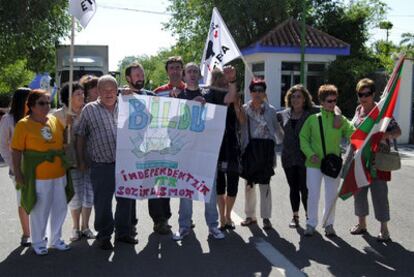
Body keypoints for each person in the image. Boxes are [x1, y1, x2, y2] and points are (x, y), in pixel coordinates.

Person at [76, 75, 137, 250]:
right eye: (105, 90)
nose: (109, 93)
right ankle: (104, 235)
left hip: (125, 164)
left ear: (117, 90)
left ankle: (123, 233)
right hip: (101, 165)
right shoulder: (89, 109)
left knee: (126, 201)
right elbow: (80, 135)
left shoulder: (128, 105)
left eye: (112, 89)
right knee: (102, 203)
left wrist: (132, 97)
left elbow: (148, 117)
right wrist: (81, 159)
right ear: (98, 91)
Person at [11, 89, 73, 255]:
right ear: (31, 105)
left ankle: (56, 238)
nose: (46, 106)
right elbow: (16, 150)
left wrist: (68, 126)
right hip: (38, 176)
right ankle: (38, 242)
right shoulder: (23, 125)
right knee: (40, 209)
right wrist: (17, 173)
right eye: (42, 103)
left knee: (60, 207)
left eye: (48, 102)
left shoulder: (54, 120)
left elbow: (64, 142)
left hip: (59, 173)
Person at [171, 62, 224, 241]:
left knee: (209, 189)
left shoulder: (209, 94)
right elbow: (174, 122)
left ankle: (213, 226)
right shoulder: (178, 96)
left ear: (200, 75)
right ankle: (184, 227)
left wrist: (230, 79)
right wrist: (190, 105)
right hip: (185, 152)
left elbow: (228, 102)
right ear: (184, 76)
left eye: (195, 71)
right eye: (189, 71)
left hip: (206, 151)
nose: (192, 74)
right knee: (185, 191)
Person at [349, 78, 401, 241]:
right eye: (360, 94)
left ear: (373, 94)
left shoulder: (382, 111)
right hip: (360, 160)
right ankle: (362, 224)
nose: (364, 97)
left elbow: (398, 131)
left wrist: (382, 135)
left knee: (379, 195)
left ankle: (384, 229)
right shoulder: (359, 110)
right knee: (359, 193)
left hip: (377, 160)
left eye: (367, 94)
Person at [299, 84, 354, 237]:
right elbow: (303, 139)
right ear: (321, 102)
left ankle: (329, 224)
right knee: (313, 195)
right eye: (329, 101)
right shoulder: (312, 119)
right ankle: (311, 224)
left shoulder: (340, 119)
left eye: (335, 100)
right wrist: (310, 154)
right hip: (314, 164)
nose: (333, 103)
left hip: (333, 165)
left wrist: (340, 117)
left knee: (331, 195)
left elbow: (353, 133)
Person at [203, 67, 245, 230]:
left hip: (232, 144)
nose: (221, 79)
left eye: (224, 77)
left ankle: (228, 215)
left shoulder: (233, 95)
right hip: (216, 145)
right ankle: (222, 217)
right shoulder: (209, 95)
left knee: (233, 182)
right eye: (218, 76)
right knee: (220, 183)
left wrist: (233, 82)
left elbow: (240, 117)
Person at [53, 82, 95, 241]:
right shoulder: (58, 115)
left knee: (89, 195)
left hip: (90, 159)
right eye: (77, 94)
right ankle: (75, 227)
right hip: (71, 162)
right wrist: (67, 127)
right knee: (76, 195)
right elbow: (57, 141)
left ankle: (86, 227)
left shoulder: (89, 111)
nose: (82, 96)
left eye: (82, 93)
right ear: (68, 97)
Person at [239, 79, 283, 230]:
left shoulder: (271, 110)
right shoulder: (244, 109)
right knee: (249, 185)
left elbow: (277, 130)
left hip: (266, 151)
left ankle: (266, 217)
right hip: (250, 150)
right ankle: (250, 215)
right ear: (250, 92)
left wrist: (285, 142)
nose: (257, 93)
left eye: (261, 90)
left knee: (265, 185)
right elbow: (239, 129)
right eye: (255, 90)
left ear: (264, 93)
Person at [123, 63, 158, 235]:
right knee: (129, 189)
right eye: (137, 75)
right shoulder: (121, 97)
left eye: (142, 74)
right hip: (129, 153)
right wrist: (122, 96)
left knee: (154, 188)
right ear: (128, 78)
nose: (140, 78)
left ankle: (160, 221)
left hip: (151, 151)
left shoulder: (152, 96)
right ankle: (130, 224)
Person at [0, 87, 31, 246]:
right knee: (22, 201)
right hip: (18, 169)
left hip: (36, 168)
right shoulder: (8, 119)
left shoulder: (35, 117)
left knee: (38, 201)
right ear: (22, 101)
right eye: (29, 99)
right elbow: (4, 147)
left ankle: (38, 232)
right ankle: (26, 234)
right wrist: (14, 166)